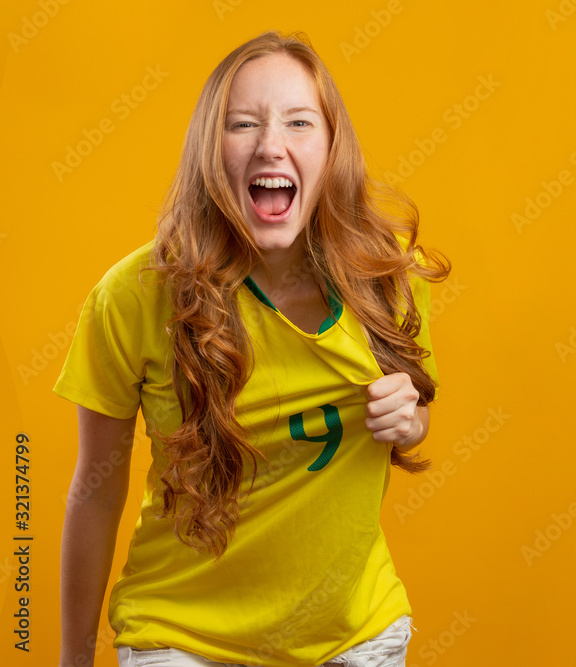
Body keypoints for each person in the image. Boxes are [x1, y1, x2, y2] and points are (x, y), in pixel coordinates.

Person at [53, 29, 450, 667]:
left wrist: (412, 421)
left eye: (298, 122)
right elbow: (96, 490)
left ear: (332, 147)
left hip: (353, 638)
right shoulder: (132, 298)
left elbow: (413, 419)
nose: (271, 144)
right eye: (243, 124)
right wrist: (73, 660)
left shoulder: (390, 282)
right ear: (210, 151)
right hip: (179, 637)